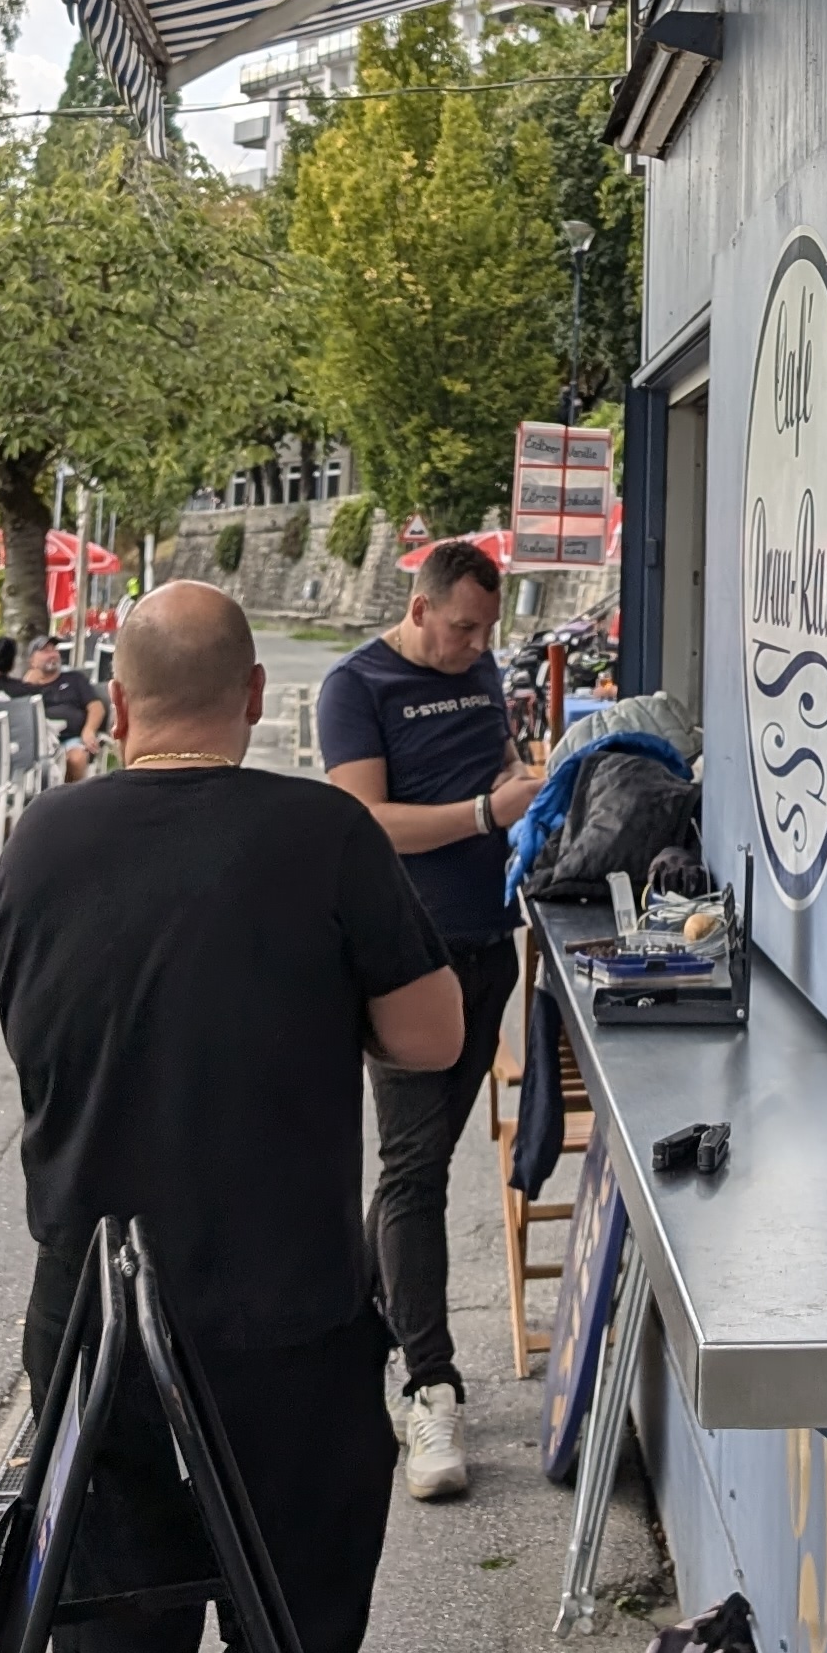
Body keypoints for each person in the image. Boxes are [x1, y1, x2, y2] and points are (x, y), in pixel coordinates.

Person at [0, 584, 459, 1653]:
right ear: (256, 697)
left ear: (117, 703)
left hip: (91, 1316)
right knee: (290, 1639)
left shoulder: (38, 842)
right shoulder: (323, 834)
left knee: (113, 1652)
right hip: (280, 1320)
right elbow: (432, 1036)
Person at [318, 538, 534, 1503]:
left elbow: (497, 761)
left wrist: (525, 789)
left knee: (424, 1161)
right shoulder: (356, 686)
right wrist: (486, 814)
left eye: (486, 631)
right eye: (462, 628)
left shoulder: (481, 669)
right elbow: (363, 820)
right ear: (419, 609)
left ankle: (342, 1330)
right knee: (414, 1168)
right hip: (407, 957)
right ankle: (430, 1385)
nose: (476, 645)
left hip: (489, 945)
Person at [25, 633, 107, 780]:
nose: (52, 654)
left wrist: (89, 730)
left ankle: (72, 794)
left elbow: (96, 707)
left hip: (71, 739)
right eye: (45, 651)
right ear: (32, 661)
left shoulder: (75, 679)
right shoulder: (26, 688)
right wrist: (27, 686)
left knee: (76, 759)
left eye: (54, 650)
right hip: (39, 745)